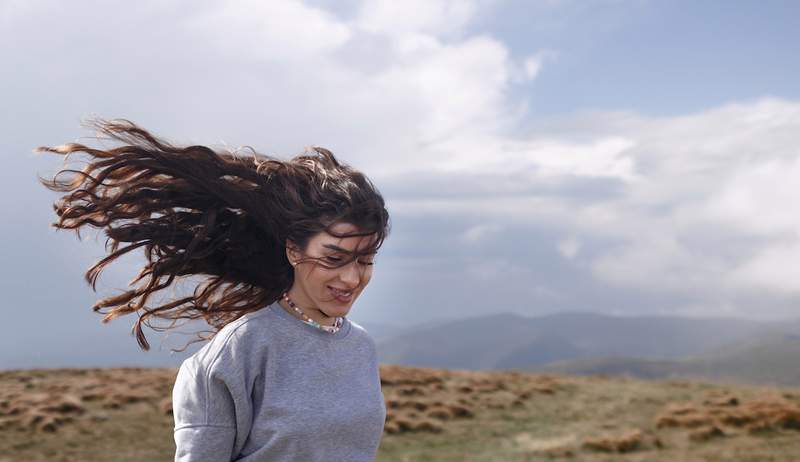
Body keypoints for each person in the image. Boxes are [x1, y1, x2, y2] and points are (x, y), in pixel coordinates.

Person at [36, 118, 391, 461]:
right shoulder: (238, 351)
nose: (351, 278)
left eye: (365, 261)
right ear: (294, 250)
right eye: (334, 258)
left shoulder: (360, 347)